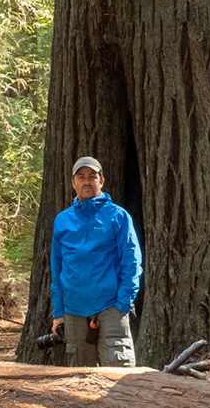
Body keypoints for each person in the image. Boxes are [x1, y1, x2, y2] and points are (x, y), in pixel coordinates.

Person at [50, 155, 142, 367]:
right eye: (81, 177)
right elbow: (57, 268)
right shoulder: (62, 220)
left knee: (119, 377)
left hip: (111, 308)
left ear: (101, 181)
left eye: (92, 176)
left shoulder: (118, 216)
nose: (87, 181)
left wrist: (123, 303)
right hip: (73, 311)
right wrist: (58, 312)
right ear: (73, 183)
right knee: (80, 380)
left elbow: (132, 262)